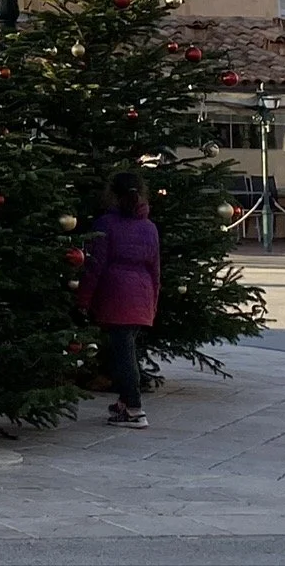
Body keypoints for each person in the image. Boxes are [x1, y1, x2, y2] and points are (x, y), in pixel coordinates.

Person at [78, 172, 160, 429]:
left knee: (124, 355)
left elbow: (94, 266)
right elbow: (155, 270)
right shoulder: (149, 227)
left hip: (116, 294)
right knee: (126, 349)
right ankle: (125, 402)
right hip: (142, 294)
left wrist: (83, 300)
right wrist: (153, 303)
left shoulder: (106, 224)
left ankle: (134, 409)